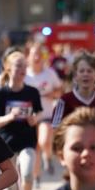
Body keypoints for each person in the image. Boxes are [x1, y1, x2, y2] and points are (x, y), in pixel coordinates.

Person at [0, 51, 43, 190]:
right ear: (8, 68)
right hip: (6, 144)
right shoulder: (2, 94)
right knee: (9, 187)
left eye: (24, 65)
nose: (22, 69)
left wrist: (34, 119)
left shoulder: (32, 92)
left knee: (28, 173)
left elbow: (39, 112)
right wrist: (10, 116)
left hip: (28, 141)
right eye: (18, 65)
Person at [25, 43, 63, 179]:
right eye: (34, 54)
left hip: (46, 114)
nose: (37, 57)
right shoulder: (25, 74)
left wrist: (52, 94)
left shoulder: (50, 73)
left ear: (43, 57)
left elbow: (60, 90)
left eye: (39, 55)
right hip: (28, 116)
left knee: (44, 140)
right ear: (28, 57)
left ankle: (48, 158)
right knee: (35, 148)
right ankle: (36, 176)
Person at [52, 52, 95, 127]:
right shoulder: (65, 100)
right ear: (75, 76)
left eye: (89, 71)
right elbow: (55, 127)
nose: (85, 74)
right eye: (81, 71)